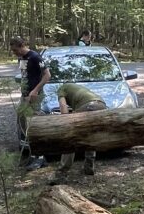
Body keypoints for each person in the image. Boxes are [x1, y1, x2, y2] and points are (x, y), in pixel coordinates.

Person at [52, 83, 107, 183]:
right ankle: (89, 167)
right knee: (90, 135)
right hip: (101, 105)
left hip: (88, 106)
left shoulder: (61, 89)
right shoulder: (78, 88)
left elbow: (63, 107)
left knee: (70, 137)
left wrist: (65, 123)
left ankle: (61, 173)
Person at [10, 36, 50, 170]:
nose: (14, 53)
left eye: (16, 50)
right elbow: (24, 75)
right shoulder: (22, 58)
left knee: (34, 126)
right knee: (23, 124)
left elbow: (47, 75)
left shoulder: (35, 57)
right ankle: (33, 155)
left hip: (35, 97)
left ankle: (40, 157)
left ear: (21, 46)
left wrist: (35, 91)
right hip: (25, 96)